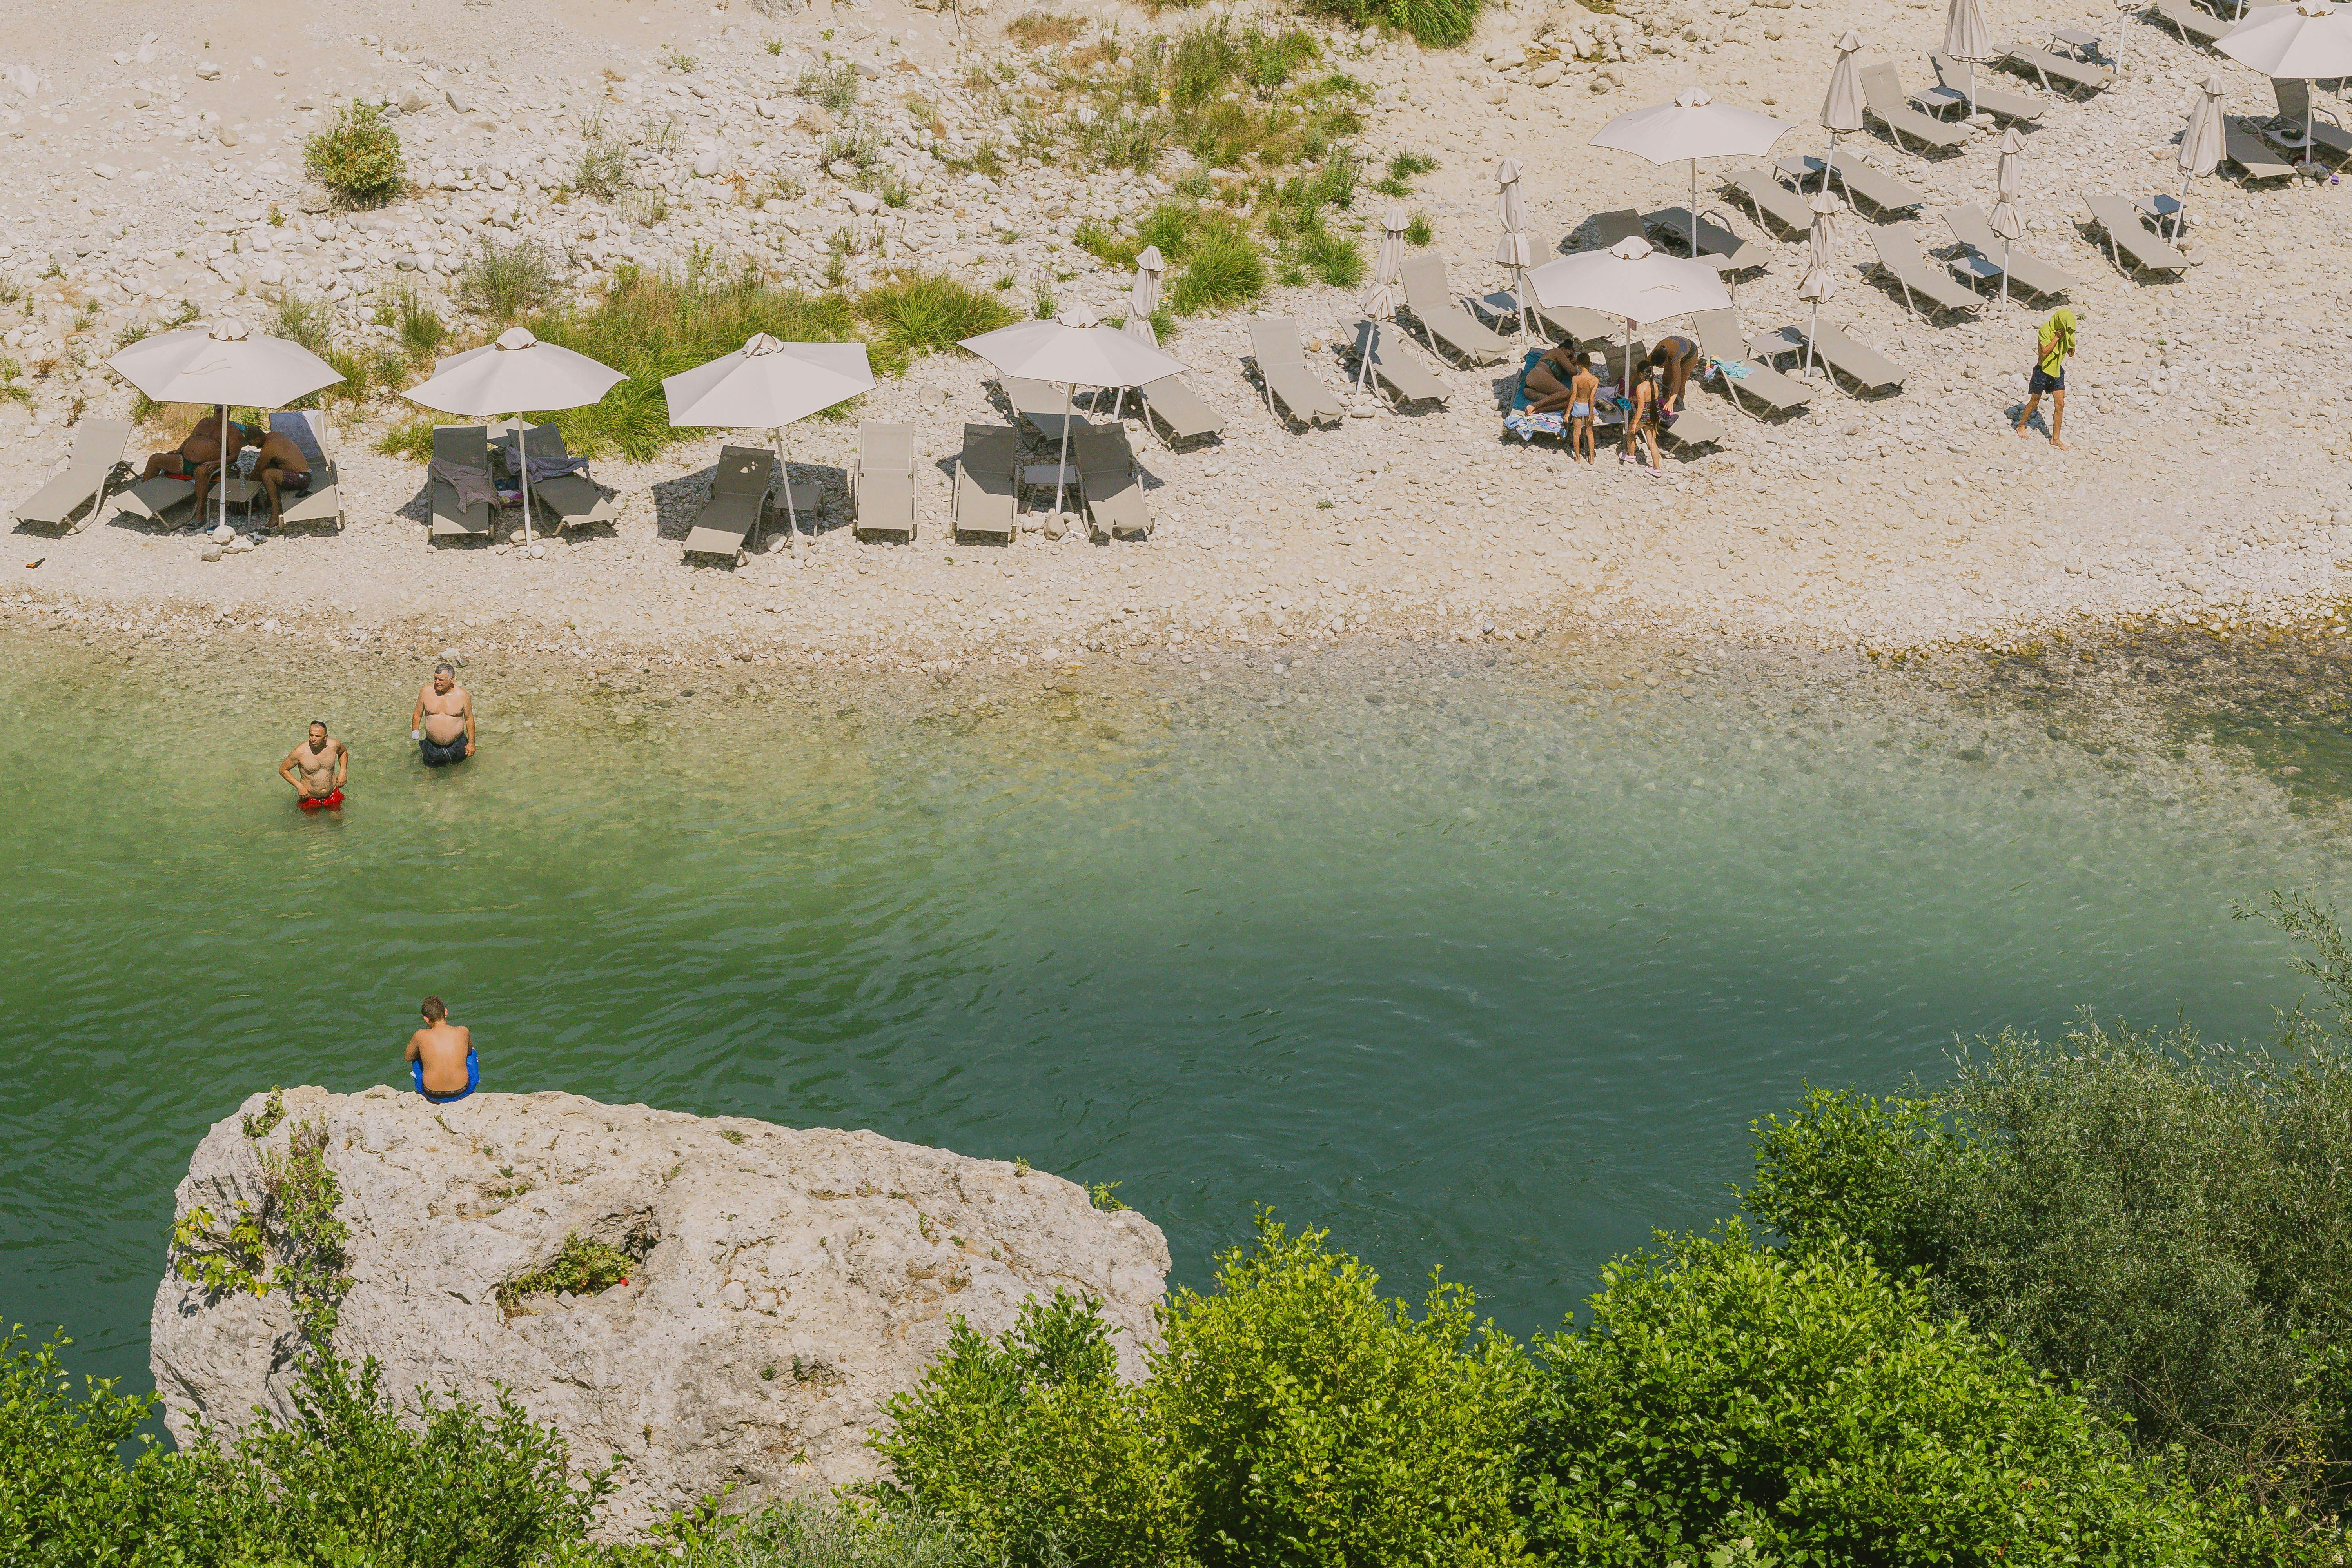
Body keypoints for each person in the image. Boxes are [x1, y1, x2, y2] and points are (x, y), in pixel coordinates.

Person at [139, 413, 250, 510]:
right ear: (214, 409)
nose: (222, 413)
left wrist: (216, 463)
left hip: (207, 465)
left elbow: (234, 457)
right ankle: (142, 496)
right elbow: (190, 438)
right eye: (219, 410)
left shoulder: (233, 432)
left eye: (225, 411)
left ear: (229, 412)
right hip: (184, 461)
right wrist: (180, 449)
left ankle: (201, 509)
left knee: (201, 473)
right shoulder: (204, 423)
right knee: (155, 459)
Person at [2015, 307, 2076, 450]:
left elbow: (2071, 354)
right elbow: (2044, 353)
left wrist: (2070, 340)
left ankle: (2055, 439)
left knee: (2060, 405)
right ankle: (2021, 425)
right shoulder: (2046, 330)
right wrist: (2057, 338)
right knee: (2035, 402)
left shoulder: (2065, 333)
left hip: (2056, 372)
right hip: (2042, 371)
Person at [405, 996, 478, 1103]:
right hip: (463, 1091)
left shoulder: (420, 1035)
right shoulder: (463, 1031)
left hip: (432, 1095)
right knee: (472, 1052)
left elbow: (408, 1057)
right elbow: (468, 1053)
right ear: (446, 1012)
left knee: (416, 1057)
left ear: (426, 1019)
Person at [247, 424, 312, 530]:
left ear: (258, 439)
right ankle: (269, 500)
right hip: (304, 473)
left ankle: (275, 514)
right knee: (268, 467)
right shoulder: (273, 435)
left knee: (267, 475)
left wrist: (248, 484)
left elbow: (258, 470)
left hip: (302, 478)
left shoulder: (268, 448)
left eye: (253, 443)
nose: (253, 446)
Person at [410, 664, 475, 766]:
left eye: (441, 680)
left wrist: (471, 743)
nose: (437, 682)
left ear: (452, 680)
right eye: (435, 679)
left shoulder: (462, 695)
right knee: (429, 775)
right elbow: (418, 714)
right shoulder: (426, 692)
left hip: (457, 744)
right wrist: (415, 731)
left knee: (458, 775)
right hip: (432, 745)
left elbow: (469, 719)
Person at [277, 720, 347, 810]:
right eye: (311, 735)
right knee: (313, 824)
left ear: (326, 737)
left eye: (317, 736)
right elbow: (283, 770)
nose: (313, 739)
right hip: (310, 798)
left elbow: (343, 752)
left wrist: (343, 771)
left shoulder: (334, 745)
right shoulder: (300, 752)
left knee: (337, 821)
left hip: (332, 793)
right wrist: (299, 786)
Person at [1647, 334, 1702, 418]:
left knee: (1681, 385)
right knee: (1666, 382)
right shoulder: (1657, 351)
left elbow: (1678, 383)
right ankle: (1665, 404)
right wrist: (1627, 384)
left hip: (1690, 354)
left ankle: (1678, 408)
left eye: (1661, 366)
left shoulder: (1674, 358)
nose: (1661, 368)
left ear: (1666, 360)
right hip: (1676, 345)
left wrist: (1671, 401)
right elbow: (1641, 368)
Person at [1521, 341, 1584, 415]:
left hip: (1530, 391)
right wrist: (1573, 360)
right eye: (1569, 355)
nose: (1568, 358)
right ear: (1563, 348)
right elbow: (1573, 371)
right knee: (1567, 393)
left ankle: (1535, 410)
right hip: (1537, 375)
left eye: (1570, 358)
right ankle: (1534, 405)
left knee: (1568, 402)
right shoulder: (1557, 351)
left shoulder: (1560, 365)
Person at [1620, 363, 1662, 473]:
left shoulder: (1641, 387)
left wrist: (1634, 424)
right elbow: (1650, 399)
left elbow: (1641, 407)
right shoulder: (1654, 384)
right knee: (1652, 441)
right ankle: (1657, 469)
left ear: (1640, 374)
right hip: (1655, 414)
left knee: (1631, 431)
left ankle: (1631, 455)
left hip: (1645, 415)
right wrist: (1634, 398)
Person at [1568, 355, 1601, 465]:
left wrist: (1568, 413)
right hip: (1588, 408)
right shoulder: (1595, 380)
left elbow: (1573, 396)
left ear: (1578, 365)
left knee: (1576, 433)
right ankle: (1592, 458)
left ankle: (1578, 458)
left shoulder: (1576, 379)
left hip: (1578, 406)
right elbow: (1592, 399)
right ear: (1591, 364)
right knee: (1589, 432)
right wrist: (1591, 414)